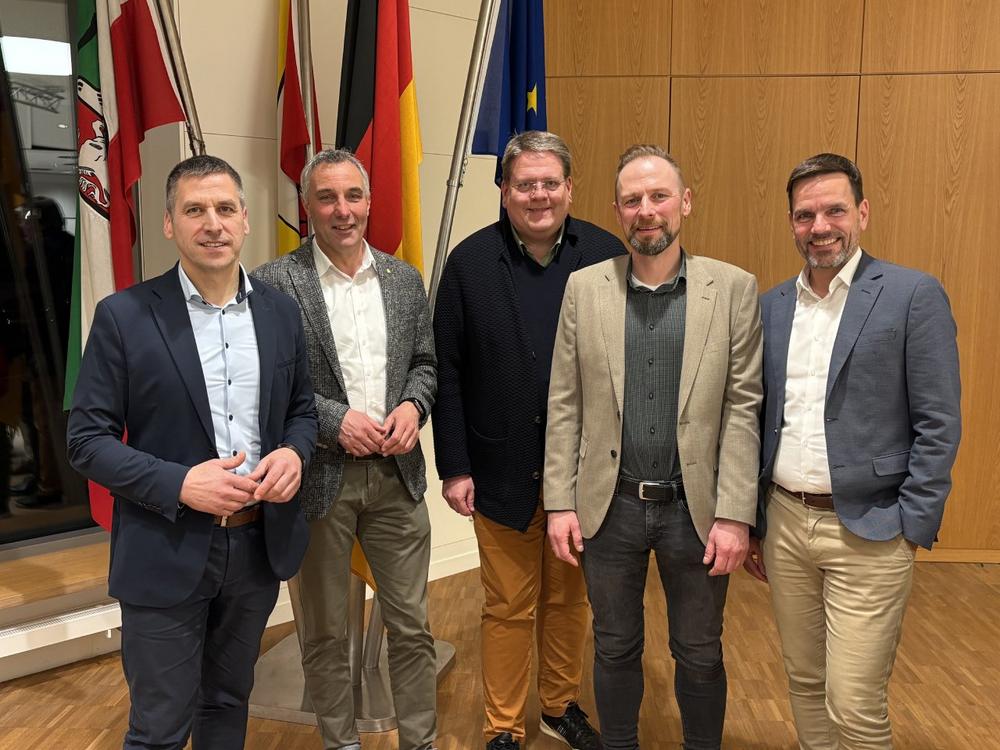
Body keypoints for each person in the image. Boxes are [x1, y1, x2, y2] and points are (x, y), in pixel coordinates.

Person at [66, 154, 317, 749]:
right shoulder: (124, 316)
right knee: (158, 730)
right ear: (169, 223)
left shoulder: (281, 313)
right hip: (165, 547)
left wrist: (294, 454)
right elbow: (86, 441)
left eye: (225, 208)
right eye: (194, 210)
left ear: (245, 220)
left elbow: (302, 411)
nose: (213, 223)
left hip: (256, 548)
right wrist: (180, 484)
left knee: (227, 706)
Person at [545, 144, 763, 750]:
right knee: (614, 646)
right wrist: (559, 502)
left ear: (684, 203)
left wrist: (735, 514)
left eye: (659, 196)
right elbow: (564, 402)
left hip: (696, 511)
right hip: (608, 506)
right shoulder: (584, 289)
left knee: (699, 650)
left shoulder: (733, 288)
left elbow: (743, 408)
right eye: (632, 199)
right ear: (617, 210)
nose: (646, 210)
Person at [747, 153, 962, 749]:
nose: (820, 227)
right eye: (805, 215)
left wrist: (912, 524)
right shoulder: (771, 307)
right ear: (791, 223)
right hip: (785, 524)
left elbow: (939, 422)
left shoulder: (912, 295)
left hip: (873, 529)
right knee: (804, 681)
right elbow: (760, 420)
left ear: (862, 212)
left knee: (854, 701)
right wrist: (756, 521)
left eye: (834, 211)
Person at [432, 130, 623, 750]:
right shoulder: (468, 264)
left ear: (569, 188)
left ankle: (559, 707)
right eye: (524, 184)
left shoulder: (607, 255)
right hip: (498, 470)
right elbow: (446, 370)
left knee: (569, 603)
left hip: (585, 475)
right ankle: (504, 727)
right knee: (508, 607)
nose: (538, 195)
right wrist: (454, 465)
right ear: (503, 190)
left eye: (549, 183)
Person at [252, 148, 438, 750]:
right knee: (326, 633)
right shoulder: (274, 283)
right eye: (327, 197)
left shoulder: (404, 279)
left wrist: (412, 407)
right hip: (317, 482)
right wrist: (334, 420)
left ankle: (421, 742)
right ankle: (341, 743)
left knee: (412, 627)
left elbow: (425, 364)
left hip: (396, 478)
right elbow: (268, 382)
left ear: (370, 201)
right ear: (307, 205)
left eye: (353, 196)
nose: (342, 210)